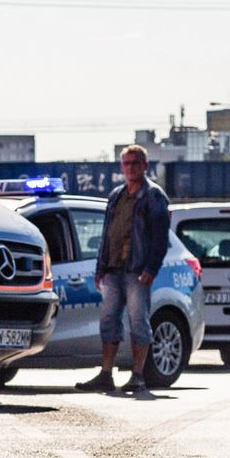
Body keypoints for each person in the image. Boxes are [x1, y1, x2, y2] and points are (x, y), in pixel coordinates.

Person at [76, 144, 171, 395]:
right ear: (121, 167)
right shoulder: (116, 195)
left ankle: (137, 376)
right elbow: (107, 234)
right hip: (113, 270)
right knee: (108, 321)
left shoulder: (154, 197)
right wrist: (100, 268)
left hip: (137, 270)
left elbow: (161, 238)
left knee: (138, 321)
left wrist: (151, 267)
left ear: (145, 166)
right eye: (126, 163)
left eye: (135, 163)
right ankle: (106, 374)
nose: (130, 168)